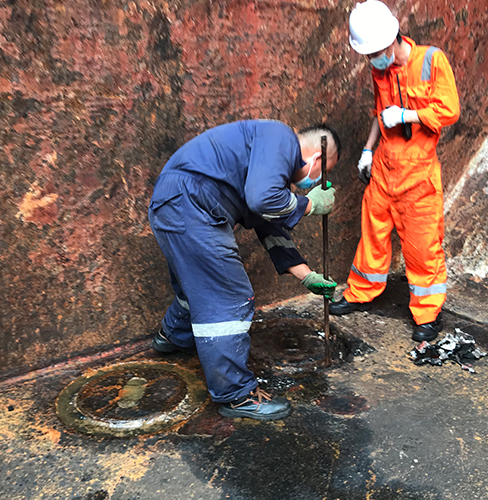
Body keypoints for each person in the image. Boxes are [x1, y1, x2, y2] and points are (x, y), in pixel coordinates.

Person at [148, 120, 341, 421]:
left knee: (196, 286)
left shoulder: (264, 157)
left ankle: (173, 336)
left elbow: (268, 222)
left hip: (174, 204)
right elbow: (263, 199)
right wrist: (307, 205)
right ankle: (237, 396)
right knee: (228, 298)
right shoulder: (281, 138)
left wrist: (306, 276)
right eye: (322, 174)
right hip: (192, 205)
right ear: (317, 159)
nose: (315, 183)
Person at [329, 0, 460, 343]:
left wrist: (408, 115)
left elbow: (450, 109)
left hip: (418, 173)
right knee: (372, 232)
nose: (372, 60)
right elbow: (379, 112)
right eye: (368, 54)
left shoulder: (431, 60)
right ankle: (361, 291)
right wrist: (368, 151)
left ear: (391, 40)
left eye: (375, 52)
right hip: (385, 166)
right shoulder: (380, 70)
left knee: (421, 245)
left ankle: (428, 312)